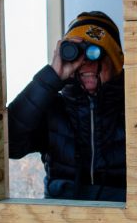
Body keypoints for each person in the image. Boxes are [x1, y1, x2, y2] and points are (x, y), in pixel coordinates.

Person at [8, 11, 126, 202]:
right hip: (61, 217)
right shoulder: (52, 108)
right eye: (78, 55)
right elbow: (9, 144)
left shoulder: (136, 106)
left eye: (95, 53)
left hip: (126, 218)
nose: (85, 63)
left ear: (115, 62)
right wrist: (51, 77)